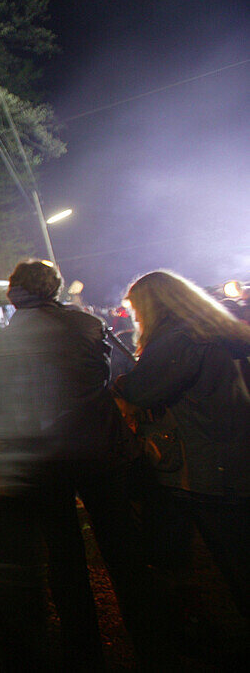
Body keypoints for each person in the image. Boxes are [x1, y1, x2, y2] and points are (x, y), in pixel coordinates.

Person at [0, 259, 145, 671]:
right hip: (99, 447)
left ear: (13, 292)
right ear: (53, 288)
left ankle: (83, 646)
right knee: (120, 543)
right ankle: (149, 631)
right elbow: (115, 372)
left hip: (47, 457)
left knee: (64, 555)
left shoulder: (8, 337)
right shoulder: (87, 323)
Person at [116, 270, 250, 651]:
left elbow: (142, 389)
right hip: (234, 454)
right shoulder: (215, 328)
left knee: (232, 560)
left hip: (207, 463)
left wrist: (122, 385)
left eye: (138, 311)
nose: (137, 320)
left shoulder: (178, 339)